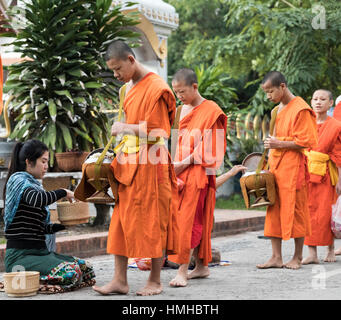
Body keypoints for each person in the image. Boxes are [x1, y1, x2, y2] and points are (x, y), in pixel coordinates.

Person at [92, 40, 179, 296]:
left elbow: (160, 130)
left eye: (118, 69)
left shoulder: (157, 88)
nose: (116, 75)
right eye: (113, 71)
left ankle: (155, 281)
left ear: (131, 59)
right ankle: (120, 280)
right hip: (129, 163)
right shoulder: (127, 88)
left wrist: (124, 128)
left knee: (153, 220)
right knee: (120, 222)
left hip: (152, 163)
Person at [167, 68, 237, 288]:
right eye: (176, 92)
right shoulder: (180, 111)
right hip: (179, 173)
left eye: (182, 91)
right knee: (189, 220)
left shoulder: (211, 111)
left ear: (195, 86)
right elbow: (176, 143)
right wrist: (172, 166)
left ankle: (182, 270)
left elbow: (211, 151)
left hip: (198, 173)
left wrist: (182, 164)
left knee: (188, 222)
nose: (179, 96)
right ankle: (202, 266)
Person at [1, 139, 96, 293]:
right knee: (70, 272)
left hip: (40, 254)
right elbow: (38, 200)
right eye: (43, 161)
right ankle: (24, 280)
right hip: (20, 258)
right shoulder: (18, 180)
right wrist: (64, 192)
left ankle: (34, 279)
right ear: (29, 162)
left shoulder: (34, 185)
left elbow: (39, 228)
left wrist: (63, 225)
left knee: (86, 268)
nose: (46, 167)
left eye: (47, 162)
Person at [256, 71, 318, 270]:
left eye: (271, 91)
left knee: (297, 210)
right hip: (276, 167)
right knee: (273, 210)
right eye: (266, 93)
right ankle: (276, 256)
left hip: (294, 168)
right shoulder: (276, 111)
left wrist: (278, 143)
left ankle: (298, 257)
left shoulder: (301, 109)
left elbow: (306, 142)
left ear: (282, 86)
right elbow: (274, 142)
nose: (269, 97)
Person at [301, 89, 341, 264]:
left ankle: (330, 249)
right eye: (315, 99)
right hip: (306, 174)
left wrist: (340, 179)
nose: (318, 102)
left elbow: (339, 155)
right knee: (307, 212)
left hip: (326, 175)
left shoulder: (336, 126)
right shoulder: (304, 123)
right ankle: (311, 253)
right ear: (311, 102)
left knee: (326, 213)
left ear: (330, 103)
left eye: (323, 99)